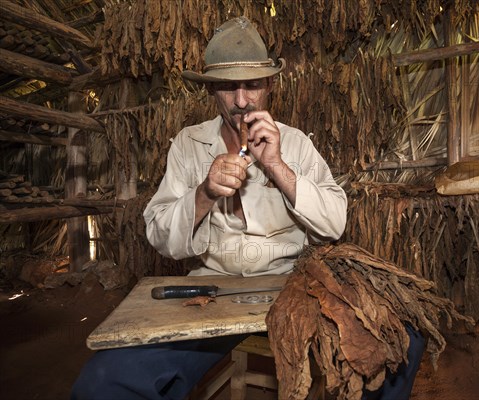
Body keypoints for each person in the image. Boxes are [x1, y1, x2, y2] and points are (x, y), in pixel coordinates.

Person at [71, 17, 423, 400]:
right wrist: (204, 192)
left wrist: (276, 166)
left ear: (270, 84)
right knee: (105, 381)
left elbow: (334, 224)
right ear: (211, 90)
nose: (241, 101)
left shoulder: (296, 144)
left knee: (402, 340)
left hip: (290, 286)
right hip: (209, 294)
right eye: (227, 86)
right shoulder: (188, 145)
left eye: (252, 85)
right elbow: (160, 237)